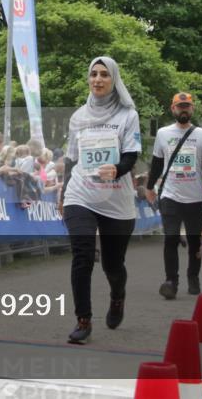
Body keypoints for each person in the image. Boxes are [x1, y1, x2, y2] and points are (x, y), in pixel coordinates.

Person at [58, 56, 141, 344]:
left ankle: (117, 296)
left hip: (116, 199)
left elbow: (132, 154)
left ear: (114, 79)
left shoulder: (127, 115)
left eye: (104, 74)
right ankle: (83, 320)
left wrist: (117, 169)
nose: (98, 79)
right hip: (81, 193)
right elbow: (72, 158)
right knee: (82, 255)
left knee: (112, 265)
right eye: (93, 74)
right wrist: (63, 192)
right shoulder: (78, 117)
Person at [146, 92, 202, 298]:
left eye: (187, 106)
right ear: (173, 109)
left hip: (195, 198)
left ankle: (193, 277)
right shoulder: (162, 133)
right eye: (180, 106)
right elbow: (157, 164)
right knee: (171, 238)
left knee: (194, 242)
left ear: (192, 109)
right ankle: (171, 280)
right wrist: (150, 187)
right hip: (170, 195)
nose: (184, 110)